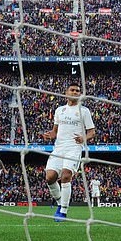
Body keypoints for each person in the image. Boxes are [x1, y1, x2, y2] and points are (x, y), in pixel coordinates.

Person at [41, 82, 95, 222]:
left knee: (66, 176)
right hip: (59, 147)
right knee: (50, 177)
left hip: (74, 147)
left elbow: (92, 132)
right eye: (73, 90)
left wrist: (84, 138)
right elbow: (55, 131)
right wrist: (50, 135)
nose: (76, 92)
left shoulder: (84, 111)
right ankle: (60, 202)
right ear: (66, 93)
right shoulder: (60, 110)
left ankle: (63, 211)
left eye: (78, 90)